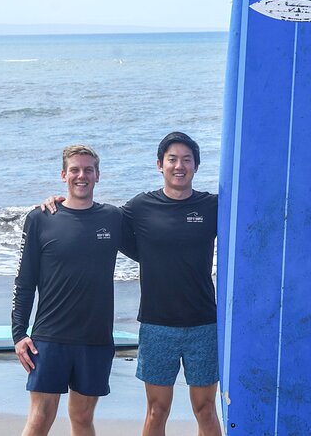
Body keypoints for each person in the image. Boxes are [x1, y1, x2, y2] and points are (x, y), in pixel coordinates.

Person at [43, 132, 221, 436]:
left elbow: (252, 218)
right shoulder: (141, 206)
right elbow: (97, 220)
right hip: (156, 324)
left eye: (186, 160)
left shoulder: (212, 206)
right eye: (172, 159)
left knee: (205, 409)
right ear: (159, 165)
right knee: (157, 410)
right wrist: (58, 204)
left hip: (203, 323)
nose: (179, 166)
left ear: (196, 166)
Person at [13, 145, 125, 436]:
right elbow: (25, 280)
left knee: (83, 417)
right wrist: (19, 333)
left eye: (88, 169)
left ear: (98, 176)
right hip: (50, 336)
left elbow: (154, 242)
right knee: (40, 417)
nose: (81, 175)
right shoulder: (40, 218)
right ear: (64, 175)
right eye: (75, 169)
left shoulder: (113, 218)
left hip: (95, 337)